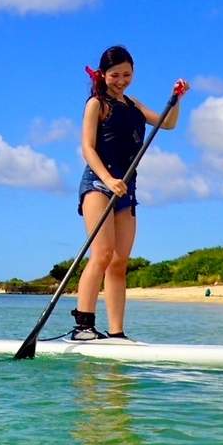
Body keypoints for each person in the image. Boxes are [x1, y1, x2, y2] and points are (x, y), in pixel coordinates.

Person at [72, 45, 188, 341]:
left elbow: (168, 123)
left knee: (120, 261)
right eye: (115, 75)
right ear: (103, 75)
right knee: (102, 253)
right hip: (99, 184)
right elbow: (87, 148)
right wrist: (108, 179)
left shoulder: (133, 104)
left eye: (127, 74)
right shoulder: (96, 104)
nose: (121, 80)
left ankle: (116, 332)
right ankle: (83, 327)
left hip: (127, 188)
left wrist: (176, 99)